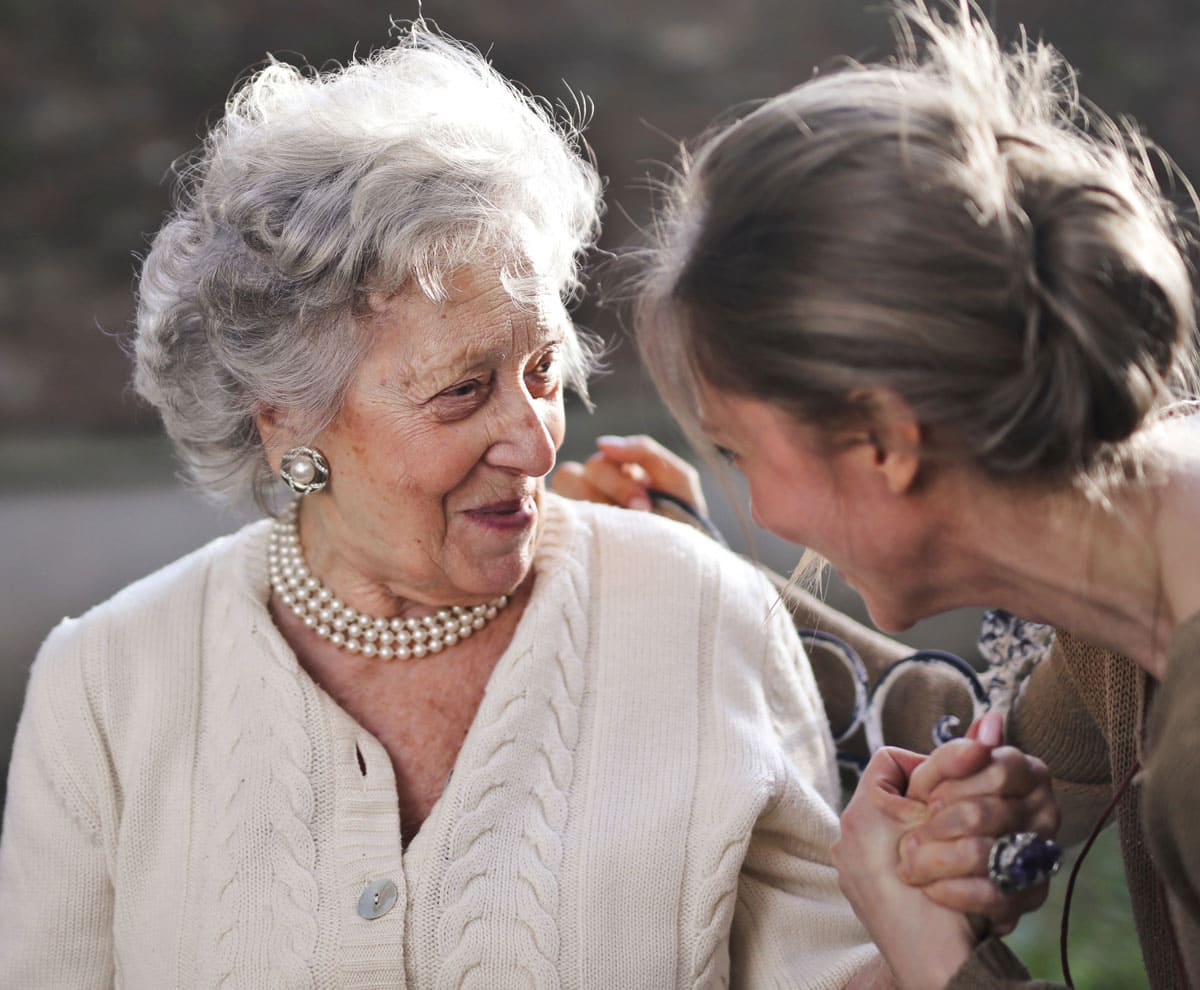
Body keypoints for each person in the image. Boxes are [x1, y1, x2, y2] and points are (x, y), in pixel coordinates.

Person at [0, 26, 903, 988]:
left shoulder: (703, 618)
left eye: (543, 369)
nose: (537, 440)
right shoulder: (105, 687)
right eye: (463, 390)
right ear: (286, 421)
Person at [556, 3, 1200, 987]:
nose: (762, 510)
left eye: (738, 450)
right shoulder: (1130, 590)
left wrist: (936, 956)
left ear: (884, 443)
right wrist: (692, 571)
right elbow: (992, 755)